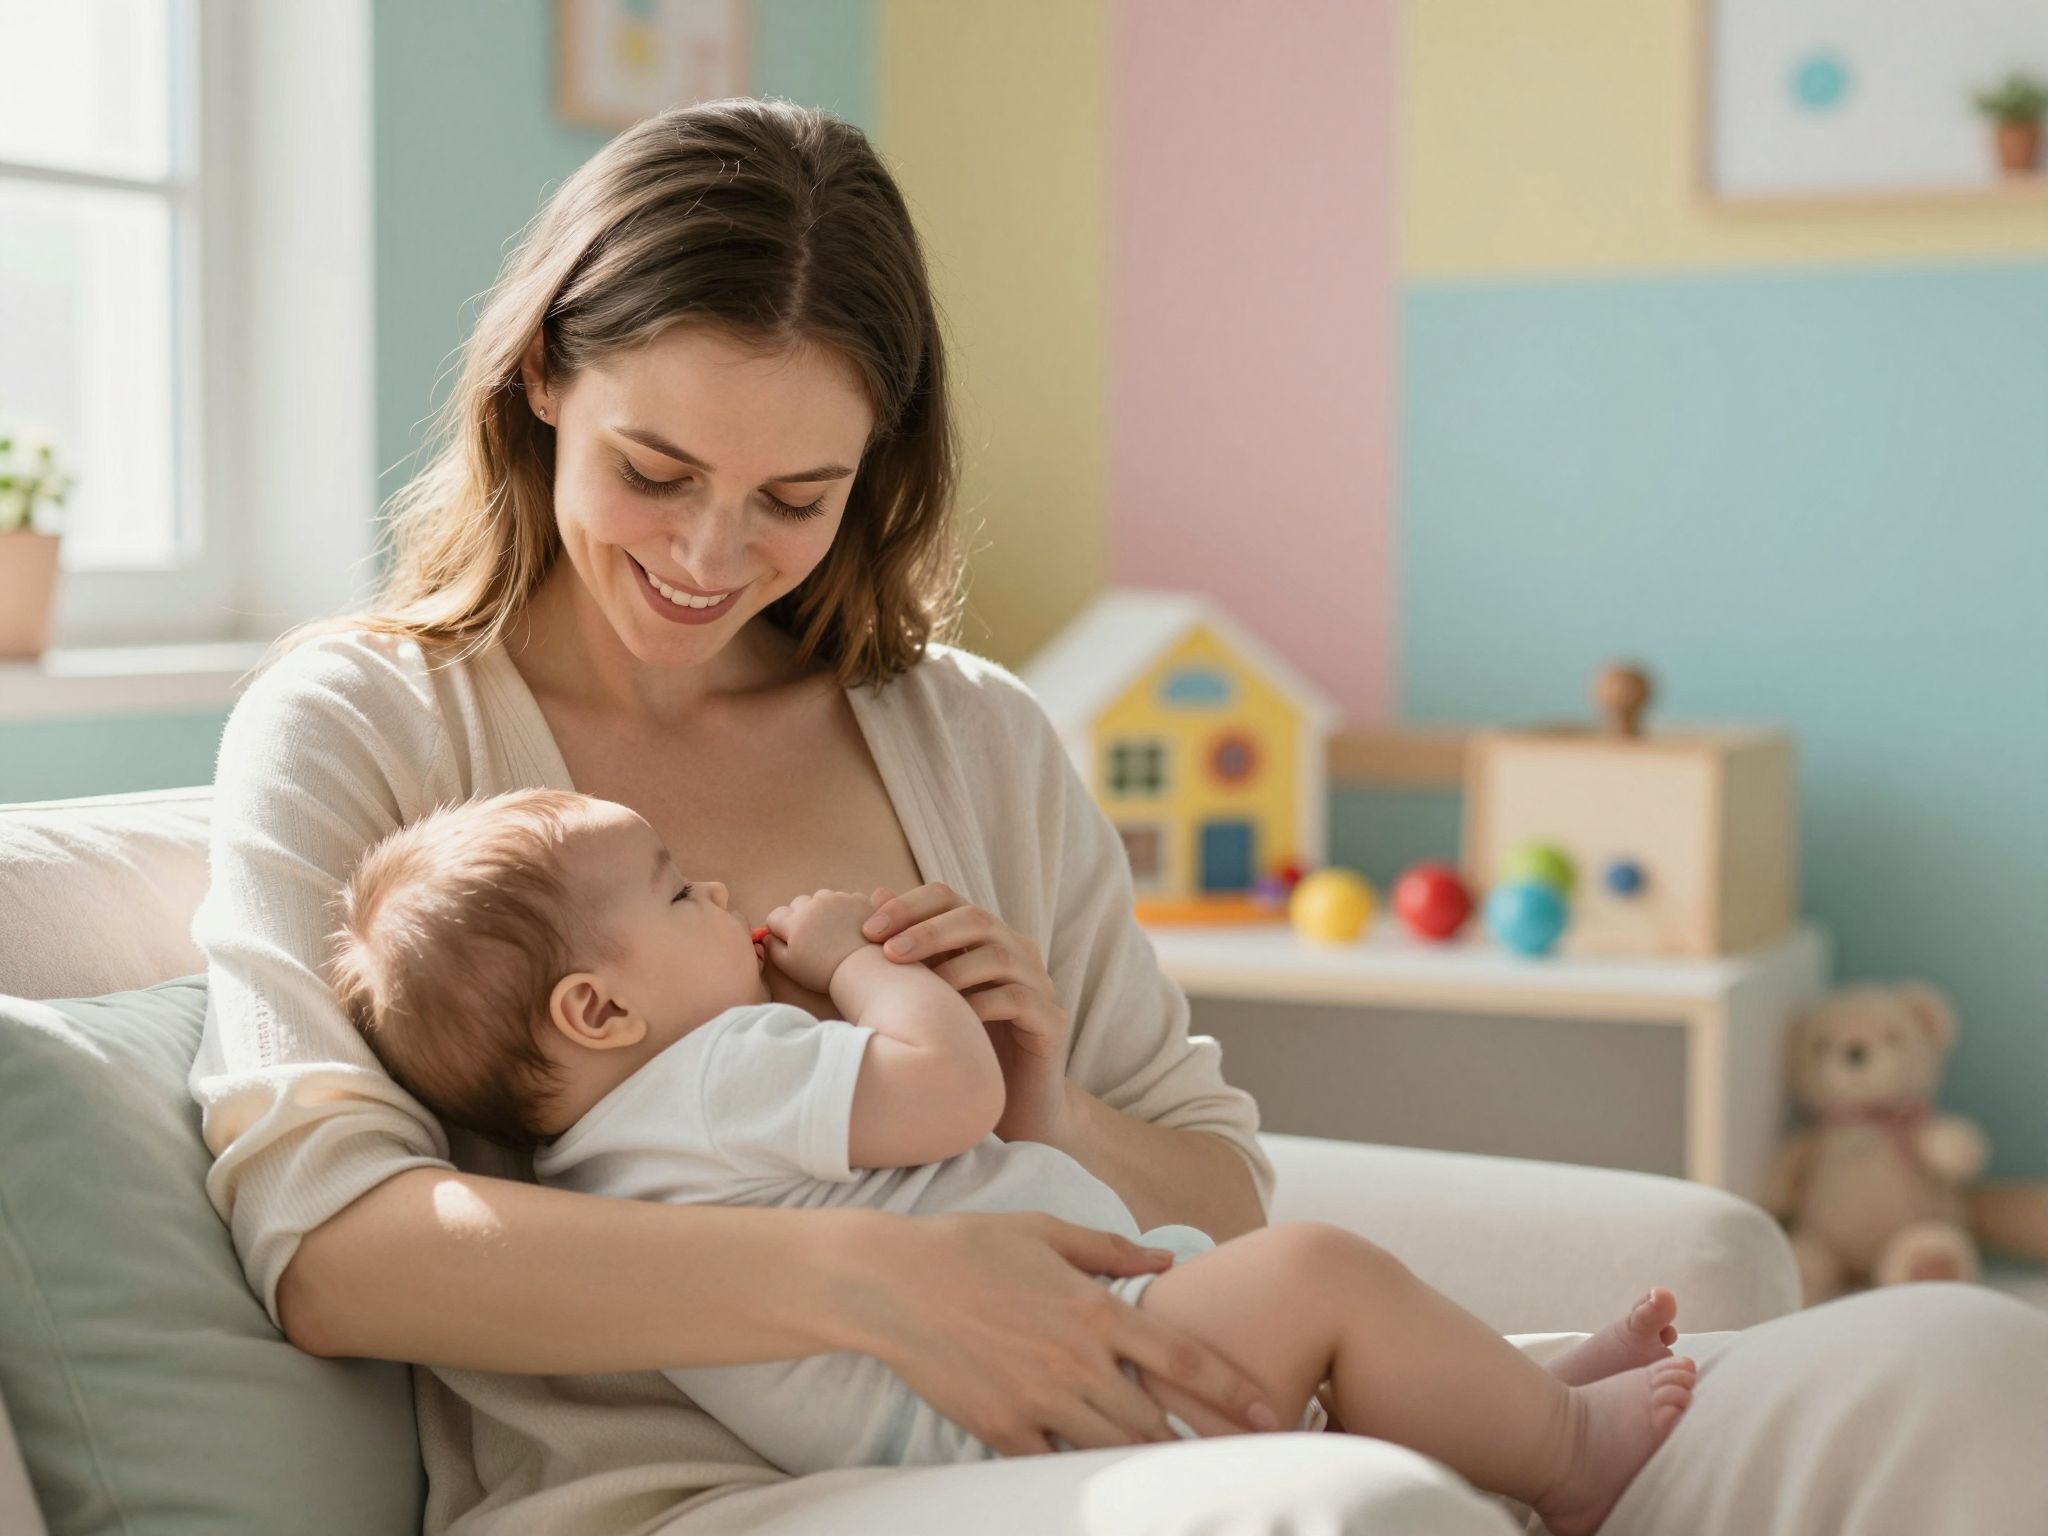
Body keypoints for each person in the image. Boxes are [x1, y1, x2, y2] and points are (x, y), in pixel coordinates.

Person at [188, 96, 2048, 1536]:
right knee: (1345, 1509)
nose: (709, 554)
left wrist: (1043, 1100)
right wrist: (877, 1284)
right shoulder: (372, 722)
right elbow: (338, 1251)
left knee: (1966, 1362)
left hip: (1166, 1396)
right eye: (653, 470)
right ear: (539, 380)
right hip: (735, 1497)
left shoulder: (968, 736)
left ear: (877, 470)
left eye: (795, 498)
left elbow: (1219, 1188)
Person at [329, 787, 1698, 1533]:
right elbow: (944, 1095)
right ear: (597, 1010)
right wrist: (859, 968)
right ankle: (1568, 1456)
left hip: (953, 1433)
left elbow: (972, 1155)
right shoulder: (723, 1071)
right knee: (1320, 1276)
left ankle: (1521, 1399)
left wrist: (1024, 1082)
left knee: (1317, 1328)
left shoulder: (606, 1164)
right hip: (1028, 1389)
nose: (725, 898)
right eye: (682, 893)